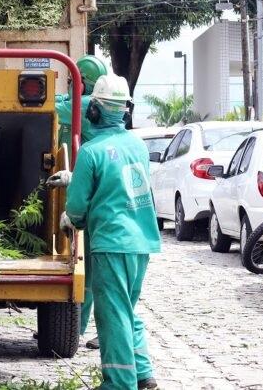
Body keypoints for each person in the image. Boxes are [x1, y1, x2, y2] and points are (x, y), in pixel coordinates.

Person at [50, 74, 162, 390]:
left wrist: (70, 219)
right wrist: (76, 176)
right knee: (125, 308)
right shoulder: (137, 145)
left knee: (111, 316)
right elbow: (118, 180)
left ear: (95, 111)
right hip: (141, 242)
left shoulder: (91, 152)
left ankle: (120, 383)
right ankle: (142, 374)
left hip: (111, 243)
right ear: (125, 111)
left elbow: (77, 208)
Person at [54, 54, 107, 350]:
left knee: (91, 270)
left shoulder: (84, 105)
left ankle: (85, 328)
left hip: (88, 195)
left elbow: (54, 107)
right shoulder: (94, 105)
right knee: (88, 267)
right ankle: (79, 327)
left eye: (75, 81)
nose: (72, 85)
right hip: (91, 193)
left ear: (85, 83)